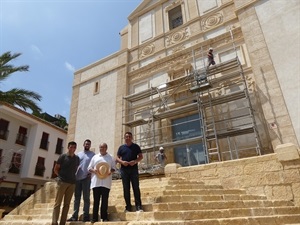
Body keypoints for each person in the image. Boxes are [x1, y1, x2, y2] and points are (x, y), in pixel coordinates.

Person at [52, 141, 80, 225]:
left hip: (72, 183)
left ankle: (62, 223)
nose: (72, 149)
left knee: (67, 204)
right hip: (62, 182)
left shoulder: (77, 158)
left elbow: (75, 169)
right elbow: (56, 169)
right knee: (57, 203)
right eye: (71, 147)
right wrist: (60, 178)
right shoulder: (62, 157)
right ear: (68, 147)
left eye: (74, 147)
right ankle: (54, 222)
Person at [67, 139, 95, 222]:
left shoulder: (93, 155)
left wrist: (91, 174)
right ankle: (74, 216)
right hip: (77, 179)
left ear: (90, 145)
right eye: (86, 144)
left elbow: (95, 165)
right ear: (83, 144)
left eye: (89, 144)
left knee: (86, 198)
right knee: (76, 198)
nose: (87, 145)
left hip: (87, 179)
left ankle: (86, 216)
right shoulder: (78, 154)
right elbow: (75, 165)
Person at [88, 143, 116, 223]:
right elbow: (89, 167)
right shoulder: (95, 157)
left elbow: (114, 168)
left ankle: (104, 217)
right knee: (96, 201)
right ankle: (94, 218)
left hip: (106, 182)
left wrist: (110, 171)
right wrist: (94, 170)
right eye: (100, 147)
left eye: (103, 147)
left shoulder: (110, 157)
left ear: (106, 148)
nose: (102, 148)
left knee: (105, 201)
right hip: (96, 182)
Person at [116, 131, 143, 212]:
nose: (128, 138)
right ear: (124, 138)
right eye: (126, 137)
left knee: (136, 188)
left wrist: (135, 161)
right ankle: (128, 207)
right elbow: (117, 158)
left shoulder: (136, 146)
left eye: (129, 137)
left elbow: (141, 156)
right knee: (126, 189)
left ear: (132, 138)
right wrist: (122, 162)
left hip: (133, 170)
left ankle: (138, 206)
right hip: (124, 170)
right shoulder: (121, 148)